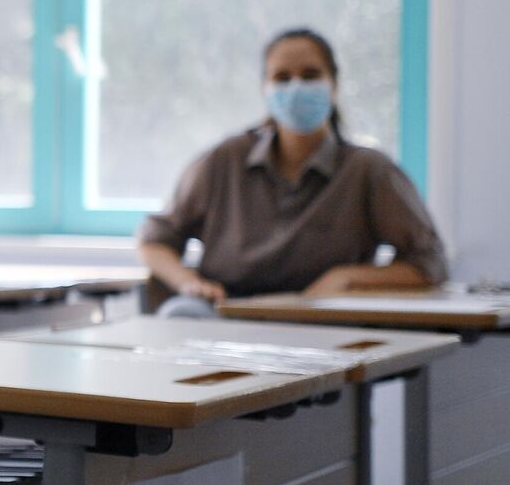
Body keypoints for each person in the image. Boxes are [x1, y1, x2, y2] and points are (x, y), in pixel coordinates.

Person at [138, 27, 447, 318]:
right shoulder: (224, 161)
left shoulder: (369, 171)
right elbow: (155, 239)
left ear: (334, 84)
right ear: (265, 89)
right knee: (181, 315)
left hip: (321, 320)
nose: (296, 87)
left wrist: (346, 278)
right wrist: (187, 282)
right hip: (225, 314)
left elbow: (428, 263)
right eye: (282, 78)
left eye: (310, 75)